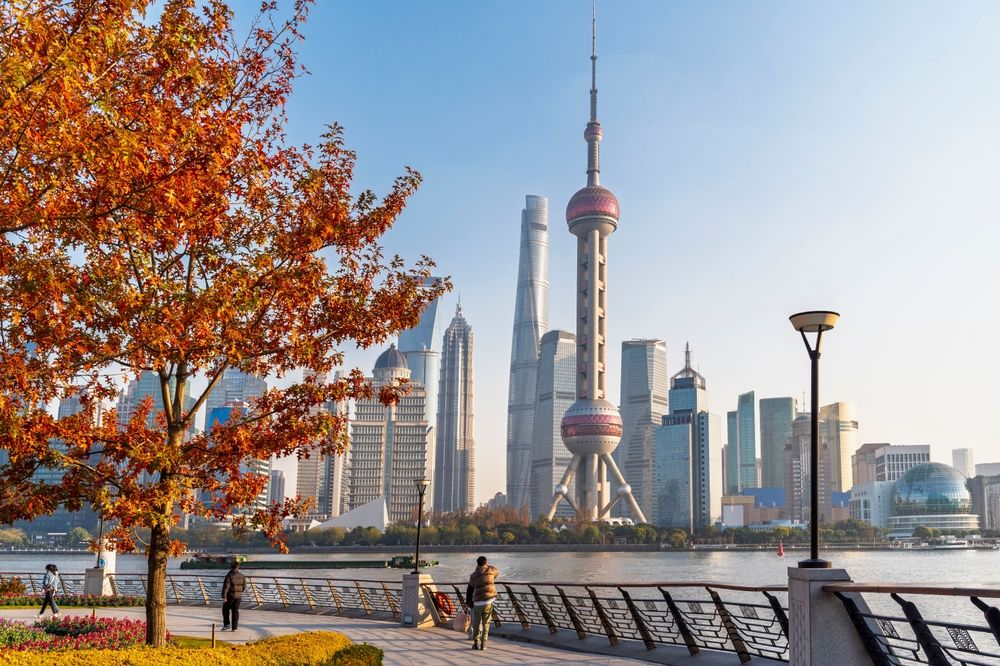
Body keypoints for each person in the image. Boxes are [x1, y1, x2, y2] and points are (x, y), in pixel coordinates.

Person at [468, 555, 499, 651]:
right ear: (486, 562)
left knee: (476, 624)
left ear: (477, 564)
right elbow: (497, 573)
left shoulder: (473, 575)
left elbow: (471, 585)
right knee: (486, 624)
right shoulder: (491, 570)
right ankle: (483, 644)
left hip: (477, 602)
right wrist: (488, 566)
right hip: (488, 601)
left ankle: (476, 643)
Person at [221, 560, 245, 631]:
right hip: (238, 597)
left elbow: (226, 587)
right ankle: (234, 628)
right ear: (238, 567)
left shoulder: (229, 575)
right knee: (235, 611)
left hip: (230, 596)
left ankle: (227, 625)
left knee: (225, 609)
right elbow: (244, 586)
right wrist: (239, 592)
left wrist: (224, 596)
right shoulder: (242, 576)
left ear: (231, 567)